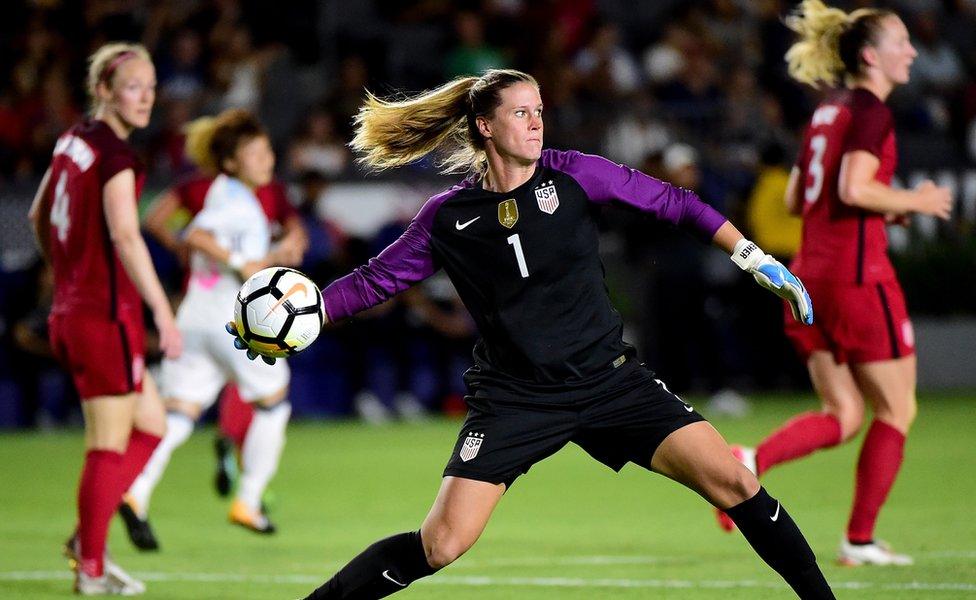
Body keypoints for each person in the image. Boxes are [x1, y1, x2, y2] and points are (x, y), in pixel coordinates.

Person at [229, 69, 835, 599]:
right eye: (521, 112)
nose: (537, 122)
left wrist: (754, 258)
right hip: (516, 399)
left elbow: (673, 202)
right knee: (440, 545)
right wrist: (298, 316)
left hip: (611, 382)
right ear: (486, 127)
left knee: (734, 481)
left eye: (539, 110)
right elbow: (372, 281)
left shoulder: (575, 176)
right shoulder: (448, 218)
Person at [714, 0, 953, 567]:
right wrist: (913, 200)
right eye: (901, 41)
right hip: (856, 277)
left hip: (808, 276)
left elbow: (802, 197)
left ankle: (749, 458)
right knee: (896, 411)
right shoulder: (869, 111)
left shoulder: (828, 111)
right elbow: (854, 187)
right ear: (871, 56)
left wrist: (879, 209)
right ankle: (861, 540)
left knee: (843, 413)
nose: (913, 51)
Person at [27, 42, 182, 595]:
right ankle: (90, 567)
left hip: (76, 310)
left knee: (153, 426)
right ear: (103, 91)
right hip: (103, 318)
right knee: (108, 443)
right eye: (133, 86)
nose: (145, 98)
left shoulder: (74, 142)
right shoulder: (117, 156)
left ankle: (85, 540)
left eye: (151, 86)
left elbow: (38, 213)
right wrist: (163, 312)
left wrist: (67, 278)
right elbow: (124, 233)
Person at [121, 108, 302, 550]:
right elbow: (197, 235)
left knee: (179, 414)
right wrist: (244, 264)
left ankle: (136, 491)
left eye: (267, 150)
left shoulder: (230, 193)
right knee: (273, 405)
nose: (267, 159)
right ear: (231, 162)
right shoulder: (233, 201)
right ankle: (249, 500)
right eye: (255, 153)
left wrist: (272, 253)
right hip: (230, 320)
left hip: (196, 317)